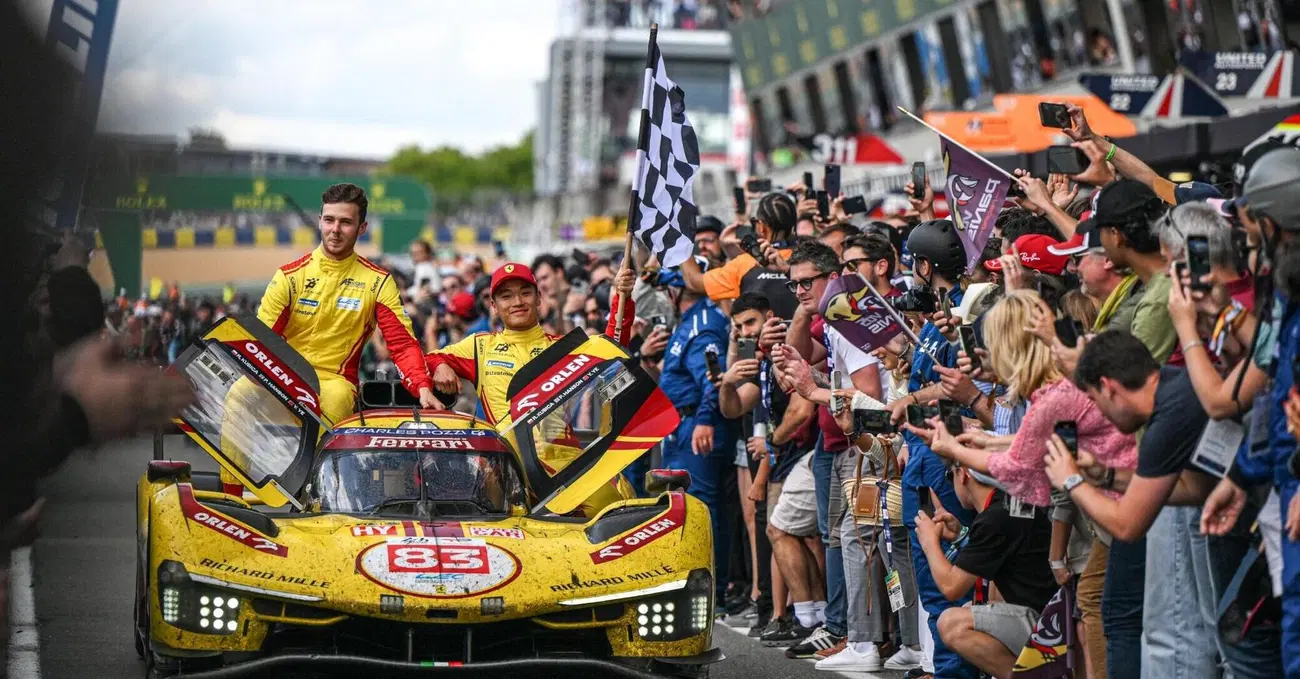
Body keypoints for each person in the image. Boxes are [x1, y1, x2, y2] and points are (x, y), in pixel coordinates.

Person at [1043, 331, 1217, 679]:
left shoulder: (1170, 414)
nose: (1102, 415)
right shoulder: (1173, 387)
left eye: (1095, 399)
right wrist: (1106, 476)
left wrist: (1072, 481)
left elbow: (1127, 525)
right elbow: (1192, 486)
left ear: (1108, 387)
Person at [424, 262, 636, 514]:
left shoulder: (564, 347)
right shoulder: (479, 346)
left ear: (538, 298)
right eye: (506, 296)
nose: (517, 301)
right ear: (493, 305)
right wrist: (439, 366)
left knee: (612, 507)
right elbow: (429, 358)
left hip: (565, 461)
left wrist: (622, 299)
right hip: (508, 464)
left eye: (525, 293)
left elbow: (613, 348)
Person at [256, 183, 438, 423]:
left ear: (362, 228)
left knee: (337, 400)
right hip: (281, 375)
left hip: (336, 385)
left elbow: (402, 345)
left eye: (345, 222)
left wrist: (422, 387)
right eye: (329, 220)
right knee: (239, 394)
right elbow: (259, 340)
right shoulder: (288, 276)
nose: (335, 230)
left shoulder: (378, 282)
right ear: (320, 221)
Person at [914, 462, 1056, 679]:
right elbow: (996, 552)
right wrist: (962, 535)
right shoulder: (1009, 505)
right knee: (973, 607)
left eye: (949, 475)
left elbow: (951, 587)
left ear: (963, 474)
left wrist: (929, 543)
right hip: (1049, 615)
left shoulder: (995, 518)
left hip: (1046, 628)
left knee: (951, 623)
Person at [660, 256, 737, 605]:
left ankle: (712, 592)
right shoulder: (689, 321)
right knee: (686, 508)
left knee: (702, 509)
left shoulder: (702, 324)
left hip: (697, 426)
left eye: (667, 288)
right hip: (681, 425)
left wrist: (704, 418)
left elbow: (712, 378)